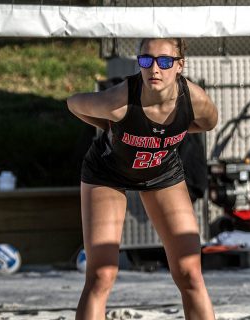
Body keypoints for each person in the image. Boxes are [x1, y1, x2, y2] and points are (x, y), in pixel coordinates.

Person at [67, 38, 218, 320]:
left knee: (190, 272)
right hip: (107, 173)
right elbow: (74, 103)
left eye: (164, 61)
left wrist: (168, 135)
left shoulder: (194, 99)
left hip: (161, 171)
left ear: (180, 65)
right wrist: (109, 124)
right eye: (146, 60)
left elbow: (209, 122)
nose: (154, 69)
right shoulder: (119, 100)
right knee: (101, 274)